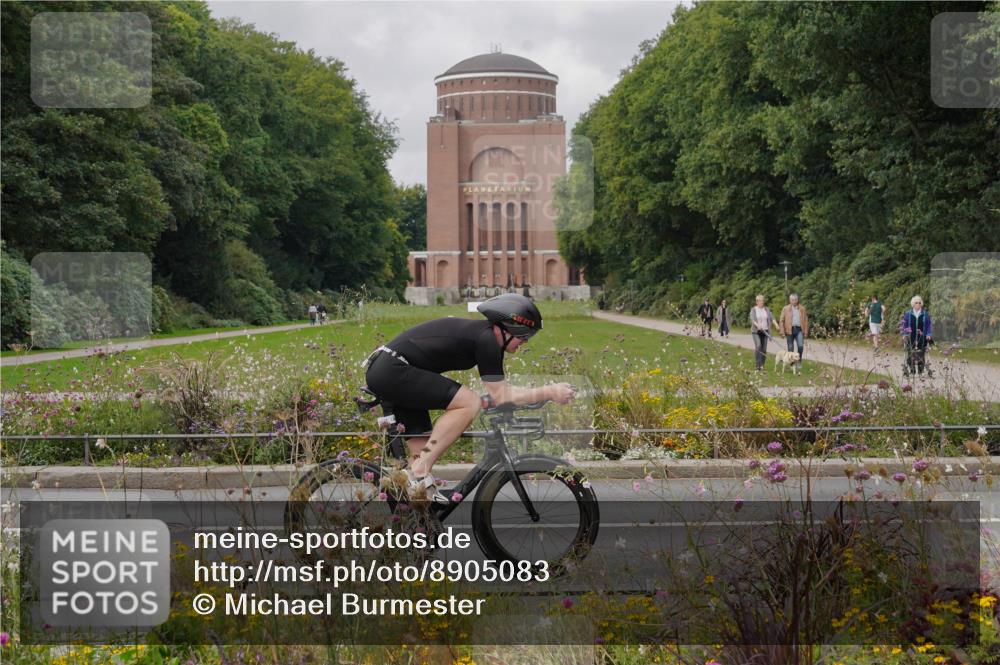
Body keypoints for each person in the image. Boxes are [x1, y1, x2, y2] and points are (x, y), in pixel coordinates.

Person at [363, 293, 576, 502]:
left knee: (419, 475)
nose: (525, 342)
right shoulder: (487, 339)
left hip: (393, 370)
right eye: (524, 336)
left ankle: (415, 515)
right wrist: (549, 391)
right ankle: (419, 470)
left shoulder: (485, 336)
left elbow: (500, 393)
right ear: (508, 328)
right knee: (468, 403)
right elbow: (501, 395)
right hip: (393, 370)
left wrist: (539, 395)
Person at [900, 295, 933, 376]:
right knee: (910, 353)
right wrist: (904, 334)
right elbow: (904, 325)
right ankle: (912, 371)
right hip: (910, 337)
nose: (918, 304)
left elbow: (929, 325)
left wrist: (929, 334)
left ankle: (920, 372)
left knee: (921, 354)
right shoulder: (908, 314)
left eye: (919, 303)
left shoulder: (925, 314)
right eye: (916, 303)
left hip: (922, 337)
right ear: (913, 304)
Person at [749, 294, 780, 371]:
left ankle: (762, 365)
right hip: (756, 331)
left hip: (765, 331)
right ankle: (757, 365)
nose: (762, 302)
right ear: (757, 302)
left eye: (763, 301)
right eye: (760, 301)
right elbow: (752, 319)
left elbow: (772, 318)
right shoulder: (754, 310)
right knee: (758, 346)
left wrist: (776, 325)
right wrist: (757, 325)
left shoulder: (766, 309)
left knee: (764, 349)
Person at [778, 294, 809, 362]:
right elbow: (781, 320)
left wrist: (806, 332)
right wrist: (782, 331)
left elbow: (806, 321)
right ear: (790, 300)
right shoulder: (785, 308)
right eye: (792, 300)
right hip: (789, 330)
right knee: (790, 348)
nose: (794, 301)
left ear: (797, 300)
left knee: (800, 346)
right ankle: (791, 363)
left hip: (799, 330)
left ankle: (799, 361)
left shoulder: (802, 309)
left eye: (795, 300)